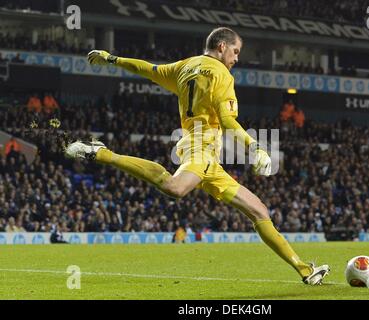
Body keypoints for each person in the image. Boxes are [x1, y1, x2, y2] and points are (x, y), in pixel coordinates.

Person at [65, 27, 330, 285]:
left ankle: (305, 270)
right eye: (236, 51)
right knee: (175, 187)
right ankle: (101, 153)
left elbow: (146, 68)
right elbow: (227, 120)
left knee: (258, 210)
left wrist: (112, 59)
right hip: (200, 147)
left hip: (205, 155)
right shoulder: (221, 75)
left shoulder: (185, 66)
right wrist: (255, 147)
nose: (236, 59)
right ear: (222, 46)